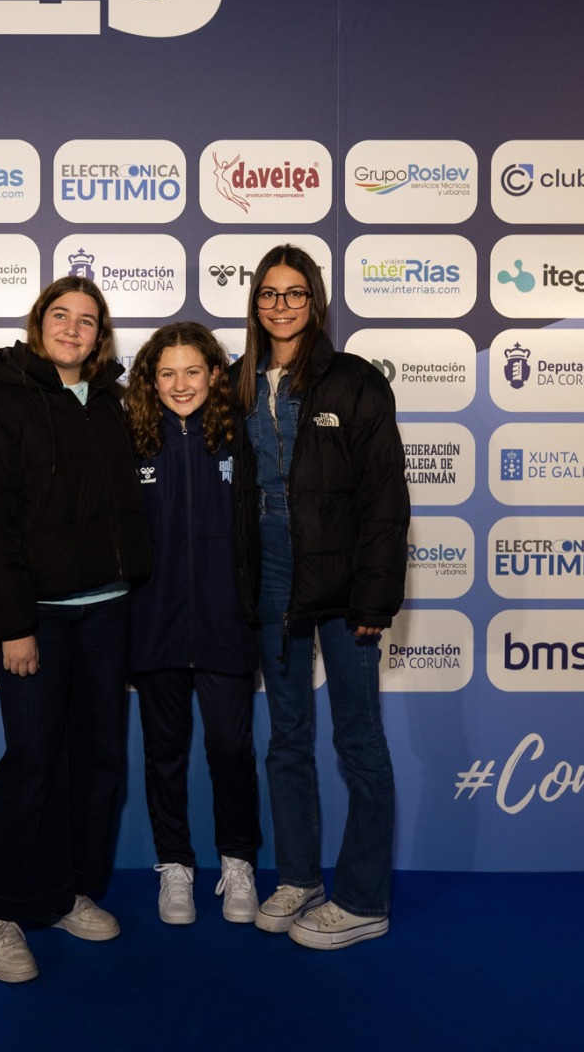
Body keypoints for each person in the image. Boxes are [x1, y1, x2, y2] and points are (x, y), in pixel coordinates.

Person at [0, 276, 152, 983]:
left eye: (87, 320)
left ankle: (67, 892)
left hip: (107, 611)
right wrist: (14, 623)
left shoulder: (109, 406)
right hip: (37, 617)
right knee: (34, 761)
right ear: (38, 324)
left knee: (98, 762)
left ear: (101, 336)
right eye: (61, 315)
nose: (73, 328)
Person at [232, 244, 409, 950]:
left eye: (294, 293)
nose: (281, 306)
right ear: (256, 304)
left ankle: (364, 899)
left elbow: (385, 497)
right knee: (286, 736)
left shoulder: (354, 380)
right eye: (269, 294)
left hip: (343, 576)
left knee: (358, 737)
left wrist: (374, 599)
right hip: (271, 568)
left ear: (315, 301)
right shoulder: (241, 382)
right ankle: (299, 877)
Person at [123, 322, 261, 925]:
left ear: (215, 374)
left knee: (231, 749)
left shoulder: (241, 434)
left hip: (226, 622)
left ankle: (239, 861)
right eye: (167, 373)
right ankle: (175, 865)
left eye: (193, 371)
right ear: (150, 380)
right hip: (154, 623)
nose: (181, 385)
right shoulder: (131, 438)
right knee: (164, 754)